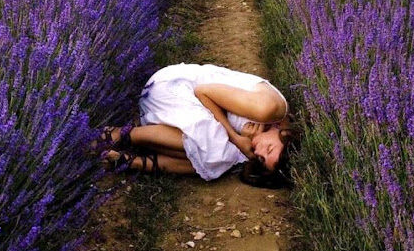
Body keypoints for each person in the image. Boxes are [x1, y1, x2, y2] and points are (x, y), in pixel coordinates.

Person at [94, 63, 299, 188]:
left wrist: (237, 140)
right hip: (172, 87)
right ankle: (119, 134)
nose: (258, 150)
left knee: (222, 161)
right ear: (284, 132)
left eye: (262, 159)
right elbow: (203, 91)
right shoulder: (269, 109)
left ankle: (130, 161)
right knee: (217, 148)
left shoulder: (262, 132)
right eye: (269, 148)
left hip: (172, 119)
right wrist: (235, 137)